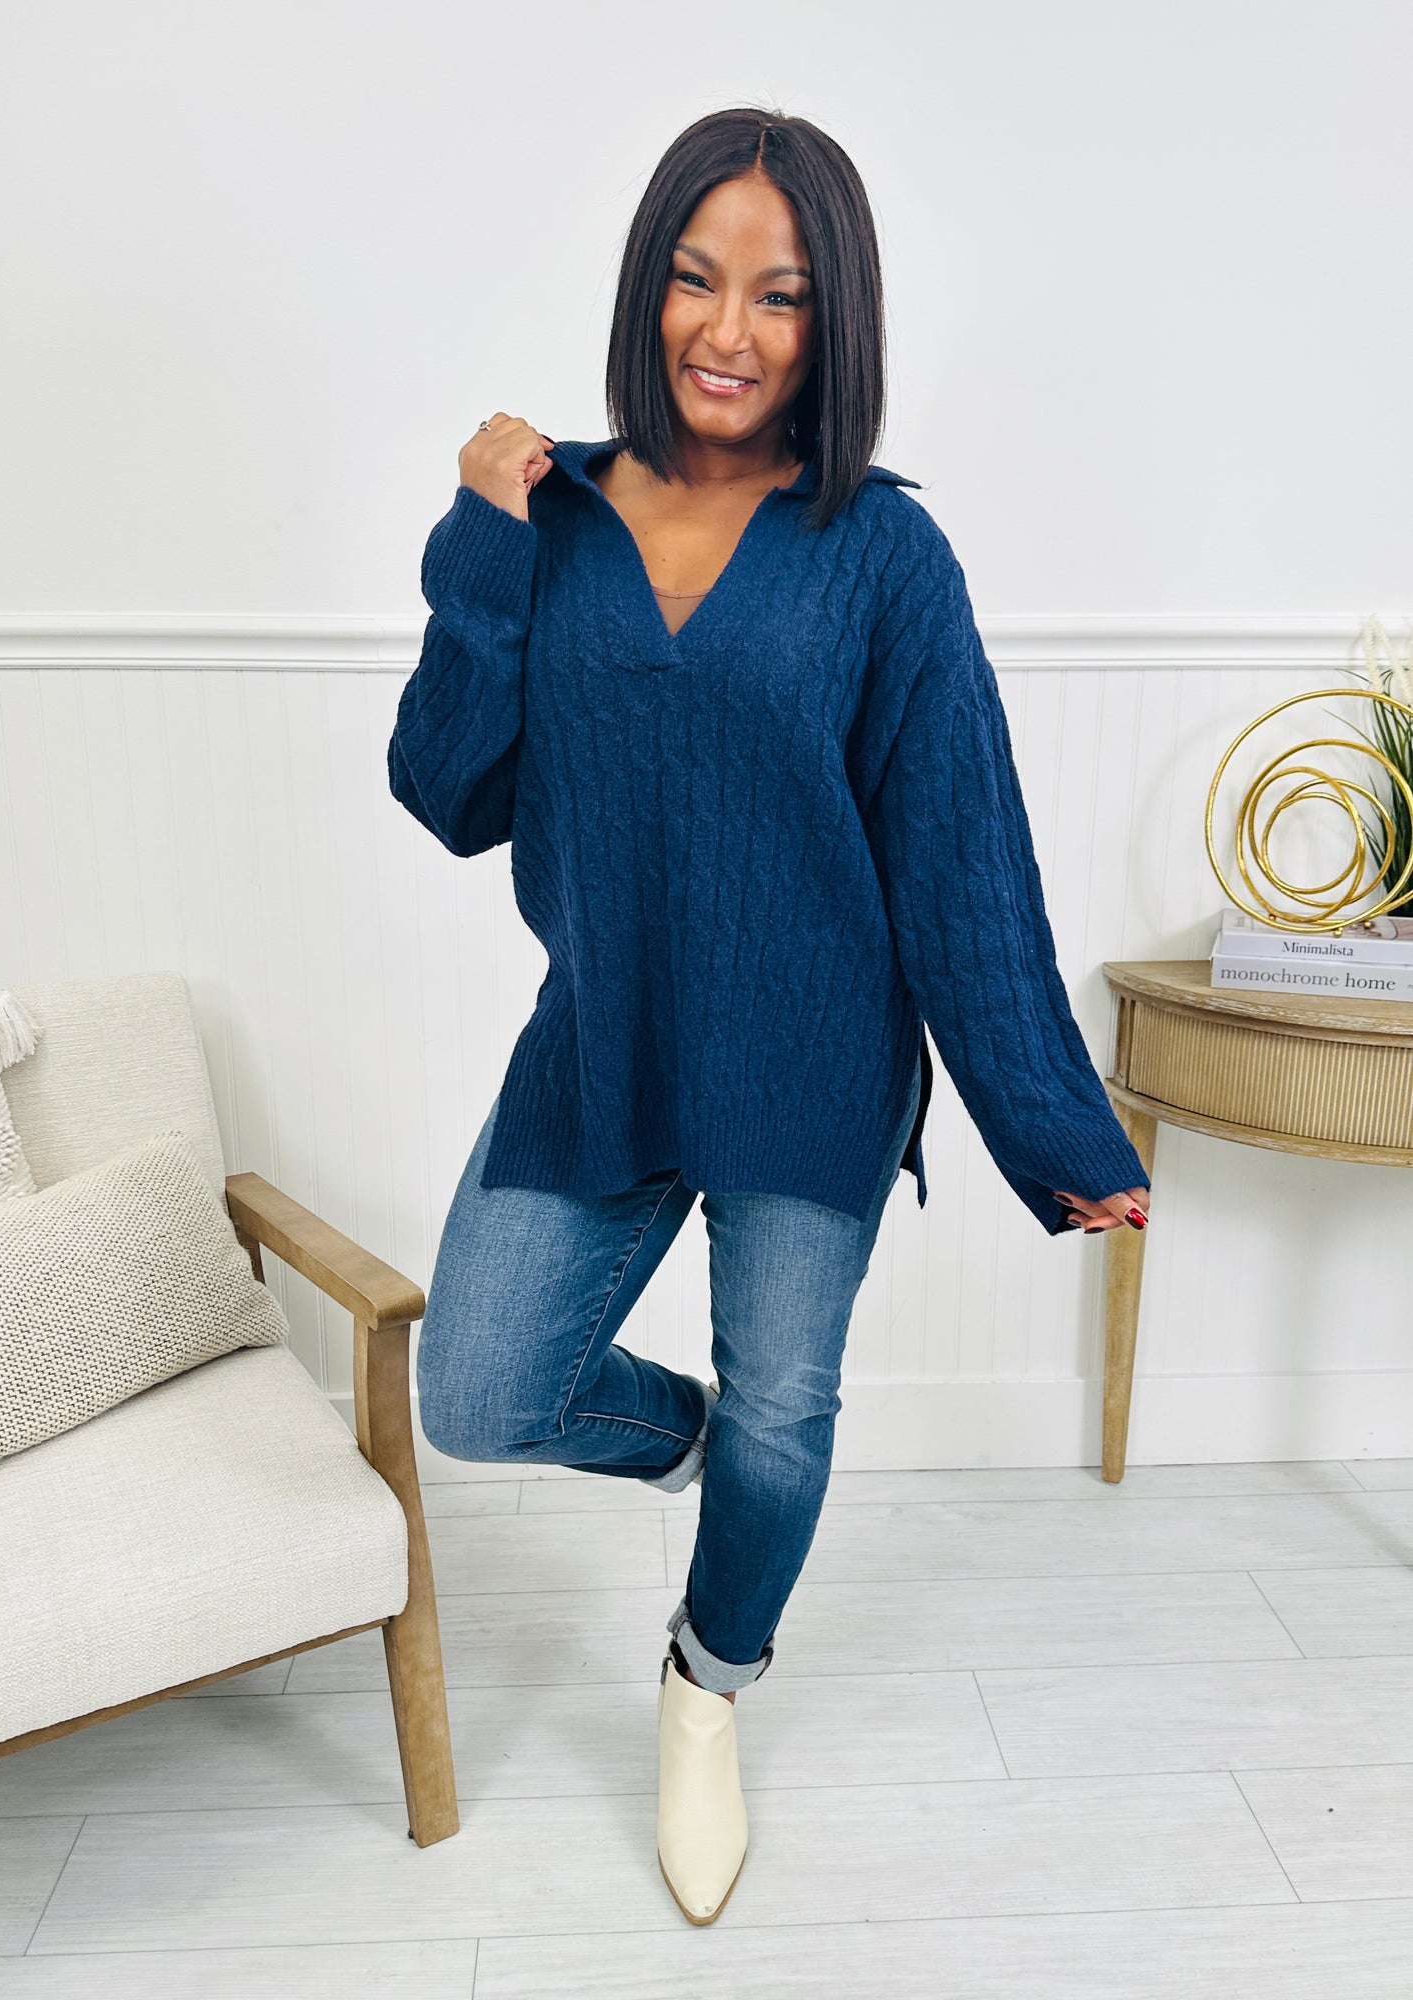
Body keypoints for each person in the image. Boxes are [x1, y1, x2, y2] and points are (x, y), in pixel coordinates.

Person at [388, 105, 1151, 1926]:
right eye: (695, 278)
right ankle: (710, 1453)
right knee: (479, 1391)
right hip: (607, 1043)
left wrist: (1055, 1129)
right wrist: (480, 542)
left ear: (834, 323)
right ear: (646, 288)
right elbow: (446, 789)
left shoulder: (881, 555)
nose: (728, 330)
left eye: (781, 295)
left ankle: (706, 1685)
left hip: (814, 1061)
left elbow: (964, 864)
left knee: (792, 1401)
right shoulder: (548, 514)